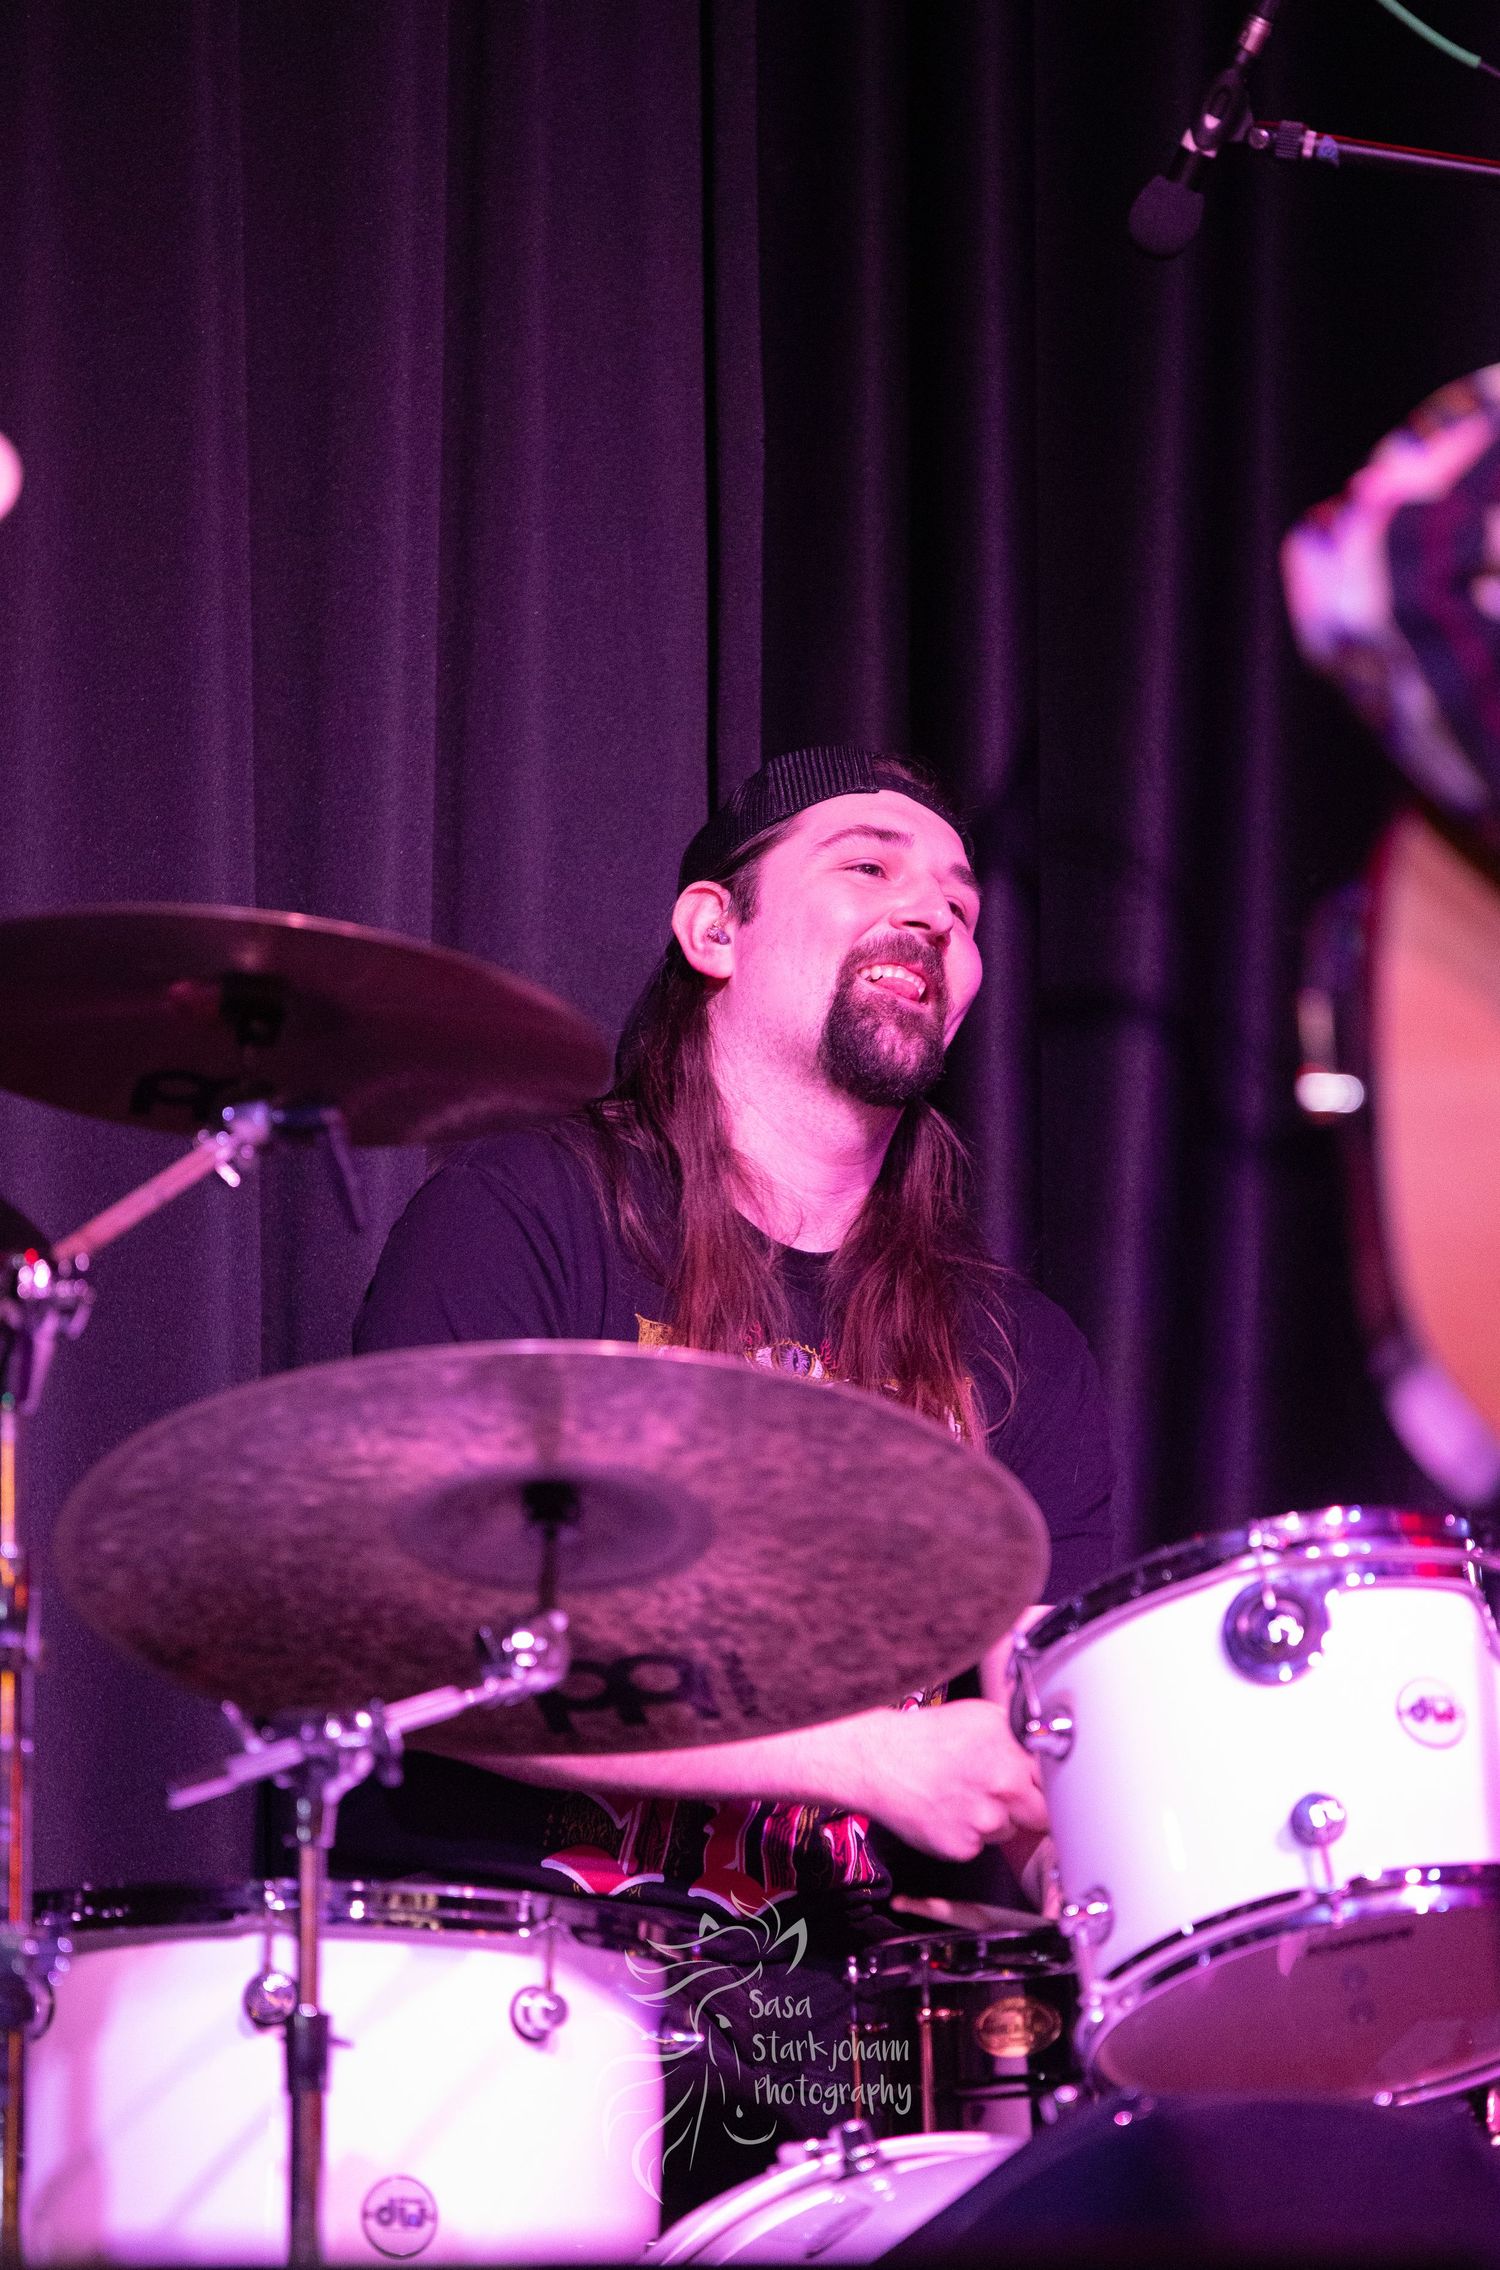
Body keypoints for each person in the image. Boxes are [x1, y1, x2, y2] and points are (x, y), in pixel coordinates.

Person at [340, 744, 1118, 2216]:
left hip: (843, 2095)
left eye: (962, 905)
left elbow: (1038, 1758)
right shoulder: (526, 1221)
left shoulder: (1018, 1354)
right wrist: (858, 1755)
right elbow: (412, 1645)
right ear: (715, 929)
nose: (934, 913)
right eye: (868, 864)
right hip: (498, 2037)